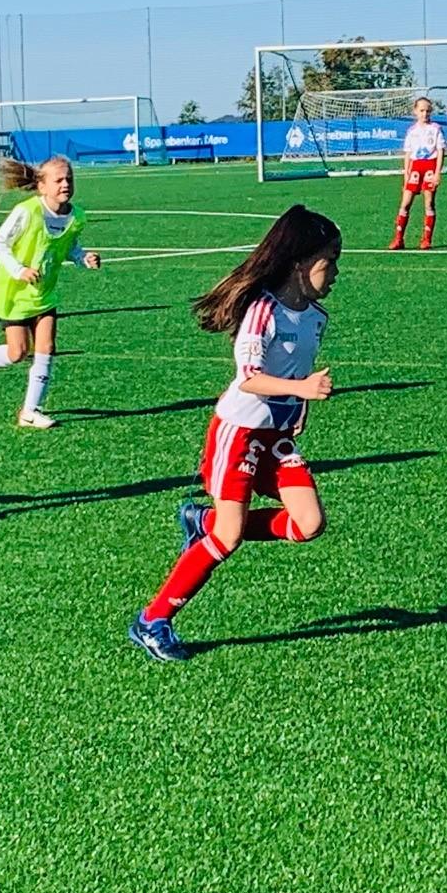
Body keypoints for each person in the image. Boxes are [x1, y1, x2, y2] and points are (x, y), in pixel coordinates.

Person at [128, 205, 341, 662]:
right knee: (228, 538)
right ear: (301, 264)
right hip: (238, 433)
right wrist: (301, 389)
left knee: (309, 524)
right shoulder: (263, 310)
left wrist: (299, 405)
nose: (336, 273)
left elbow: (296, 368)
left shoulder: (316, 316)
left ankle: (204, 522)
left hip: (275, 438)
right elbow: (249, 378)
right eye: (330, 262)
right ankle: (153, 620)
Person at [0, 155, 102, 428]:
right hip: (15, 294)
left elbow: (70, 247)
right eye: (58, 180)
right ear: (42, 186)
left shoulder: (77, 216)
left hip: (44, 293)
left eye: (69, 179)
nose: (65, 184)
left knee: (46, 347)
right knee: (18, 352)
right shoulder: (27, 211)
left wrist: (83, 258)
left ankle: (30, 411)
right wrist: (19, 270)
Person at [390, 97, 446, 250]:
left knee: (429, 203)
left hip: (430, 166)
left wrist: (437, 173)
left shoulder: (435, 129)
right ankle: (398, 239)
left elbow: (440, 151)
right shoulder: (412, 131)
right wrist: (406, 175)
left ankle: (426, 239)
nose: (424, 114)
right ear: (415, 111)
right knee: (405, 204)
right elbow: (408, 154)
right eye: (421, 111)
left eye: (427, 111)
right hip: (415, 168)